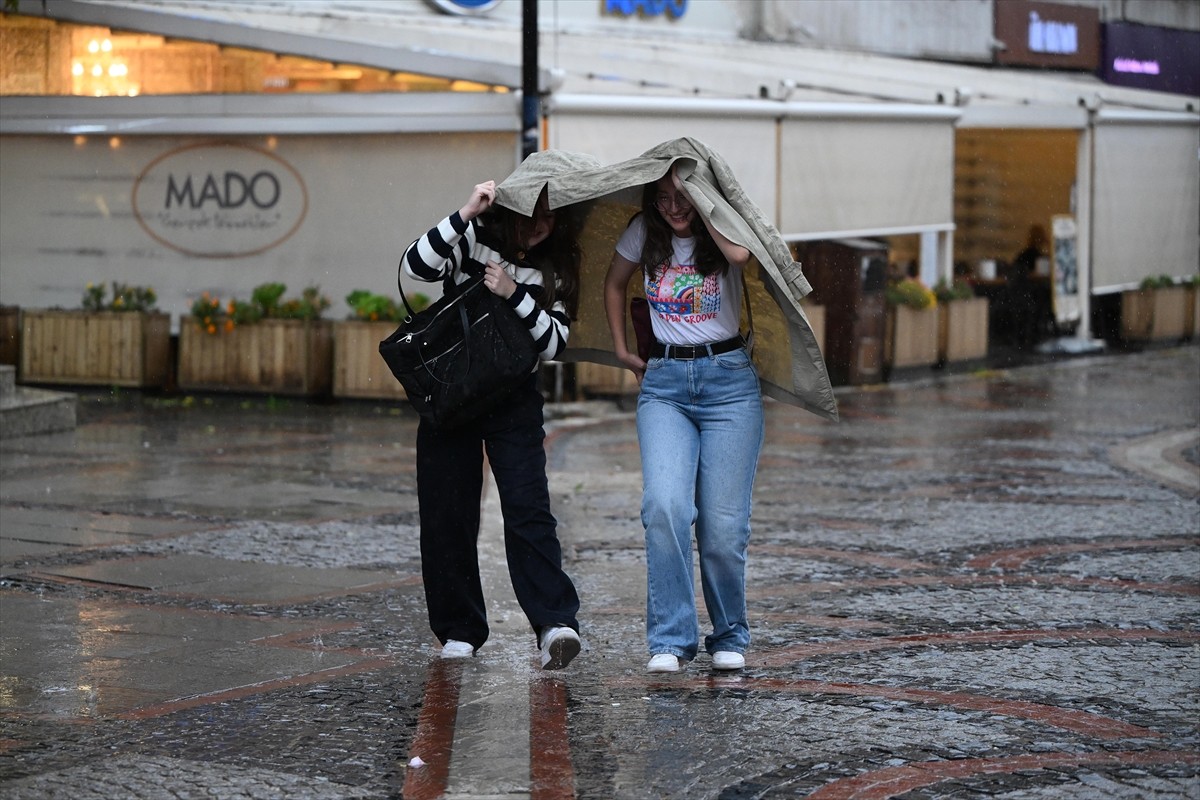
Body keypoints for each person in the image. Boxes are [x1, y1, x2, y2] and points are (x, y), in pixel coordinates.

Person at [400, 178, 582, 670]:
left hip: (514, 398)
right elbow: (417, 266)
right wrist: (465, 211)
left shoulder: (560, 269)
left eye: (550, 216)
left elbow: (555, 345)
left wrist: (513, 293)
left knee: (528, 508)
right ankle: (459, 628)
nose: (540, 225)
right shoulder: (475, 240)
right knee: (446, 511)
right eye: (532, 213)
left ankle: (554, 624)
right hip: (453, 389)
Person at [603, 166, 764, 673]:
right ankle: (670, 640)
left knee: (721, 528)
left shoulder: (725, 231)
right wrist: (624, 352)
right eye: (664, 197)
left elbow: (740, 255)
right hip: (665, 385)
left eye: (684, 196)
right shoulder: (642, 231)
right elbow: (613, 284)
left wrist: (705, 202)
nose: (674, 207)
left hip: (730, 386)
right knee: (665, 506)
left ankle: (729, 634)